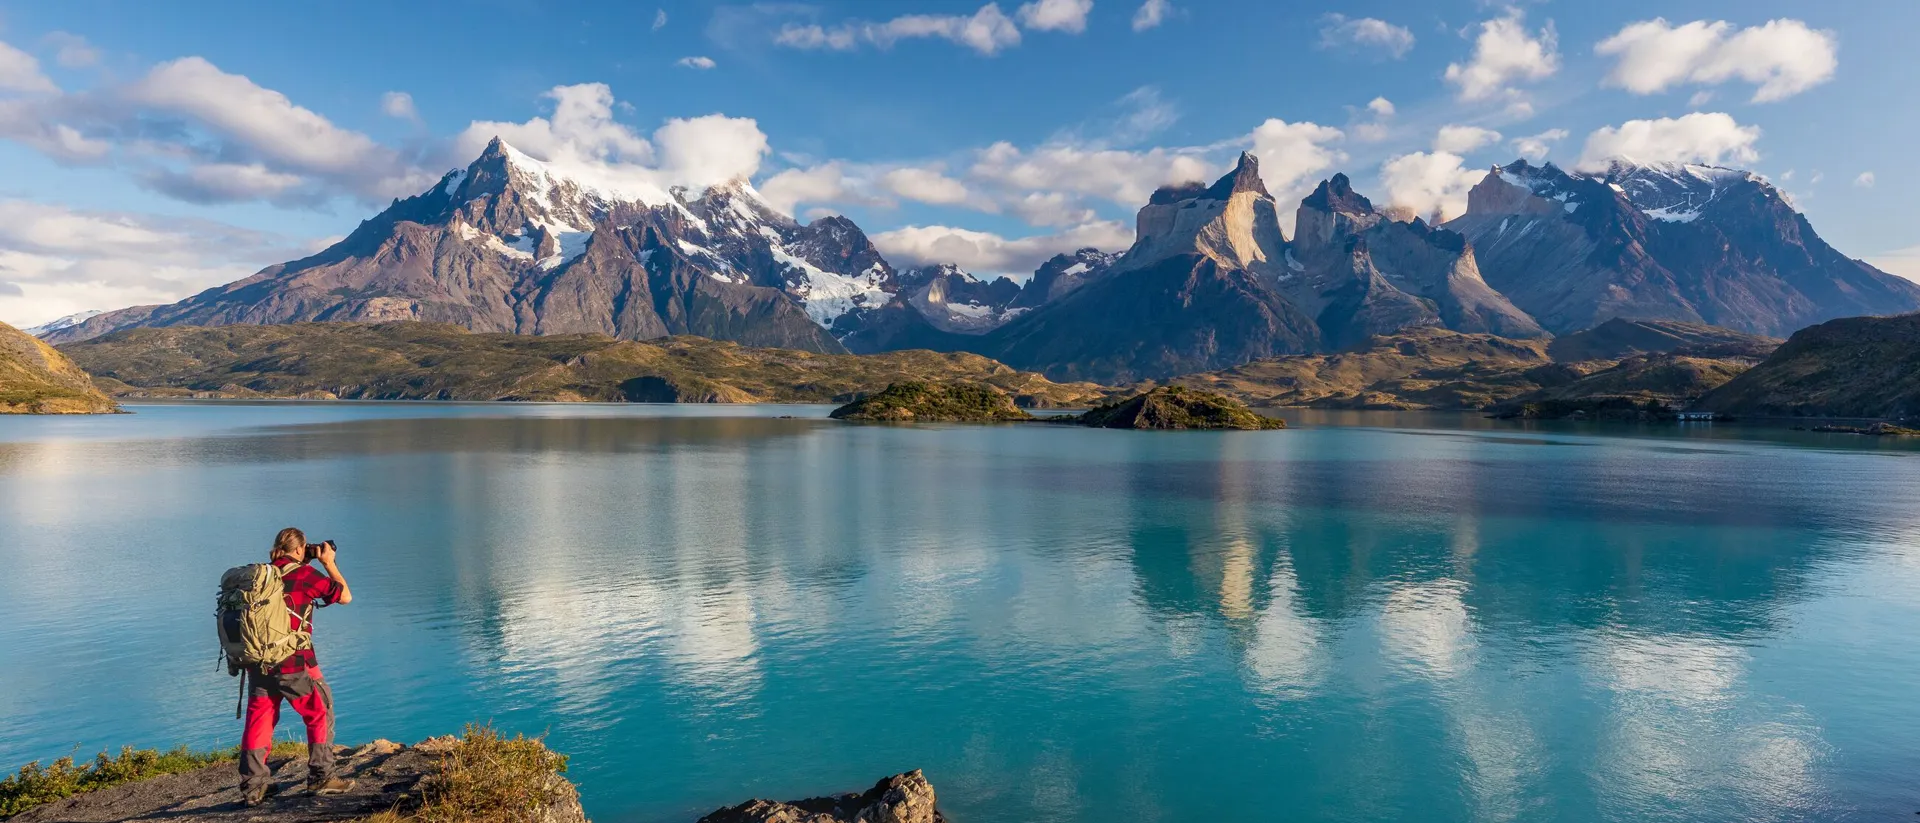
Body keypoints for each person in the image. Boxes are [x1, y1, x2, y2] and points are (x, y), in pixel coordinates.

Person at [238, 527, 355, 805]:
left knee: (260, 720)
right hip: (292, 663)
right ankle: (321, 778)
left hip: (258, 663)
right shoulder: (304, 574)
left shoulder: (261, 576)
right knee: (319, 711)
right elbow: (344, 596)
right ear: (301, 549)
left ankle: (254, 787)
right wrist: (328, 563)